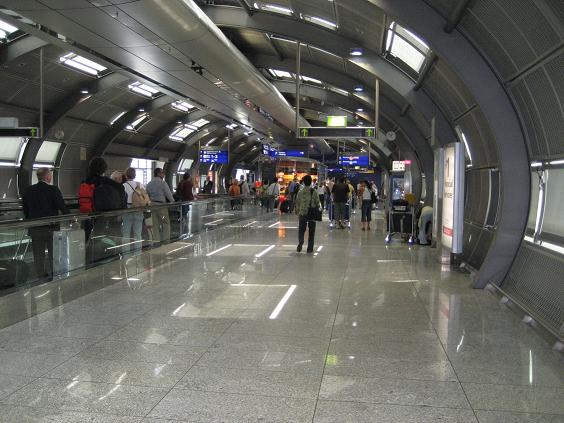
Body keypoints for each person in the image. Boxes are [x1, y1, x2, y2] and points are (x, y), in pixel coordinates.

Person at [22, 167, 69, 279]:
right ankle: (54, 273)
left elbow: (26, 209)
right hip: (51, 227)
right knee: (53, 252)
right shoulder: (53, 189)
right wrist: (71, 217)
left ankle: (40, 275)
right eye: (50, 174)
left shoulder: (28, 190)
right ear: (47, 176)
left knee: (38, 254)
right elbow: (62, 206)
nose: (51, 176)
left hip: (35, 227)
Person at [79, 157, 127, 242]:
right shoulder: (107, 182)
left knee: (89, 240)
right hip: (104, 219)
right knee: (103, 240)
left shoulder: (85, 182)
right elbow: (120, 191)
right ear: (104, 169)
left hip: (88, 216)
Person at [122, 167, 147, 254]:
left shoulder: (123, 186)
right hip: (138, 209)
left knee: (126, 234)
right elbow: (145, 196)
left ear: (126, 175)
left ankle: (126, 254)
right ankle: (138, 254)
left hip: (127, 209)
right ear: (135, 175)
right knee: (138, 234)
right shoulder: (139, 185)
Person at [146, 167, 174, 243]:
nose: (164, 174)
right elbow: (168, 194)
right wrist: (173, 202)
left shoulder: (149, 183)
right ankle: (166, 240)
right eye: (162, 173)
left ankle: (156, 241)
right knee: (165, 222)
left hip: (152, 205)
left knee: (155, 224)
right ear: (158, 174)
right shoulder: (163, 183)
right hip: (161, 206)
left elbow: (147, 194)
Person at [295, 175, 321, 253]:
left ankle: (301, 242)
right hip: (312, 213)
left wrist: (297, 211)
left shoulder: (300, 192)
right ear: (310, 182)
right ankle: (310, 248)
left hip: (302, 213)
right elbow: (318, 202)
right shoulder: (314, 191)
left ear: (303, 182)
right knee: (311, 232)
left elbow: (297, 202)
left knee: (301, 230)